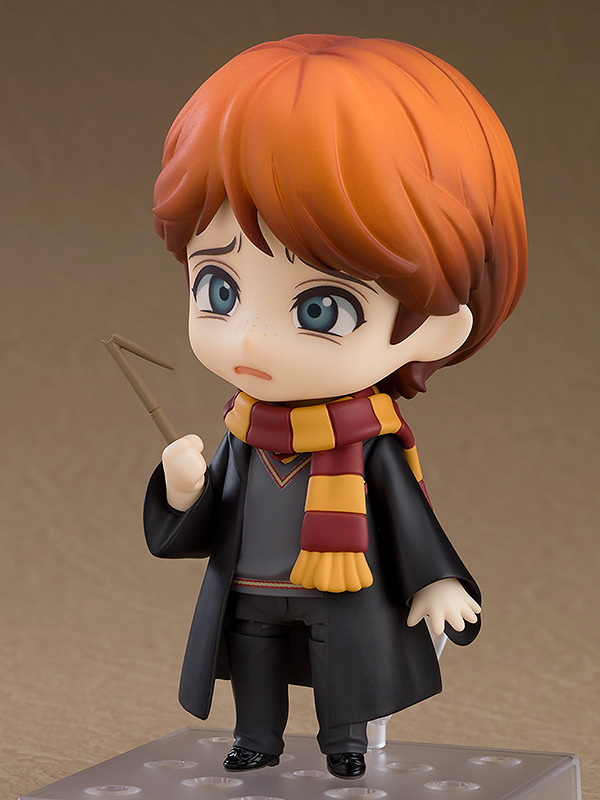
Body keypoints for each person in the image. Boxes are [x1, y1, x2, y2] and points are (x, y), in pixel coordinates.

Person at [144, 34, 527, 779]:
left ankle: (343, 746)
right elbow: (210, 516)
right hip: (250, 588)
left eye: (320, 307)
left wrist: (437, 579)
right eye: (219, 288)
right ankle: (256, 739)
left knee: (344, 669)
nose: (250, 337)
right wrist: (183, 490)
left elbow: (406, 515)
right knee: (253, 664)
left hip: (339, 591)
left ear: (437, 326)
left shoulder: (367, 439)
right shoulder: (244, 431)